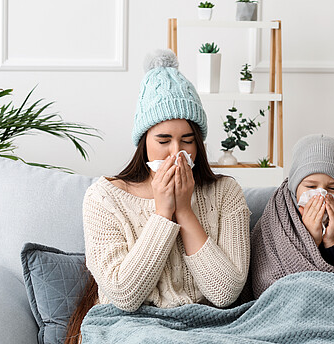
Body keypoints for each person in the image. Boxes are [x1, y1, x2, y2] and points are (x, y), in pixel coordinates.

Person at [64, 49, 251, 343]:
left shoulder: (226, 193)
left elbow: (225, 293)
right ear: (144, 143)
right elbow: (124, 295)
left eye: (187, 140)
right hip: (129, 326)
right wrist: (163, 212)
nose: (176, 152)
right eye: (163, 140)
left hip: (209, 326)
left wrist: (185, 210)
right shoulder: (103, 198)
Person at [249, 134, 334, 298]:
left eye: (332, 188)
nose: (321, 195)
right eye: (311, 186)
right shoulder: (276, 223)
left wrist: (332, 244)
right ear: (295, 187)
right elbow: (264, 286)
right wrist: (311, 242)